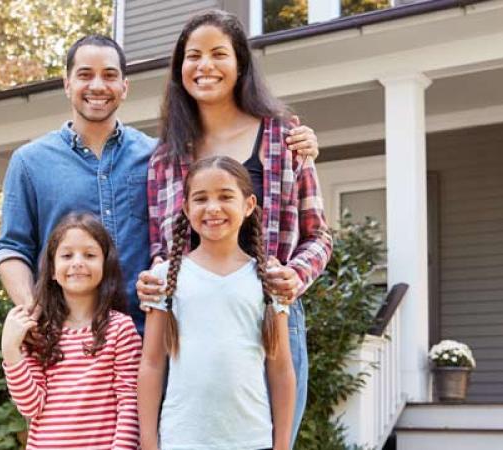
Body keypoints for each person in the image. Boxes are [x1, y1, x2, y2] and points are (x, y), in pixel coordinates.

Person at [0, 34, 319, 335]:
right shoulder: (30, 161)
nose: (97, 85)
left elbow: (216, 175)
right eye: (84, 75)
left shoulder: (161, 155)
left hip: (149, 332)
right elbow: (12, 248)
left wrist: (299, 143)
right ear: (67, 84)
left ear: (124, 86)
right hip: (68, 337)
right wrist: (33, 311)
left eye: (109, 75)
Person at [135, 10, 333, 446]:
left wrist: (293, 277)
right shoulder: (166, 157)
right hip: (189, 323)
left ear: (240, 64)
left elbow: (319, 236)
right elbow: (160, 247)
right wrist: (153, 279)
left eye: (218, 54)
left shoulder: (284, 137)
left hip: (268, 316)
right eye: (193, 56)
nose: (205, 66)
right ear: (179, 69)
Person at [137, 156, 294, 450]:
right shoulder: (164, 277)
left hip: (251, 440)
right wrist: (148, 441)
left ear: (248, 205)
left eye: (225, 196)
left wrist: (282, 444)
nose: (212, 208)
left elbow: (281, 368)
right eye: (200, 198)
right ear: (186, 208)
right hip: (181, 440)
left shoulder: (269, 279)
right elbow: (152, 363)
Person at [2, 212, 142, 450]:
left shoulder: (121, 329)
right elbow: (30, 406)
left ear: (105, 266)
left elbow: (129, 405)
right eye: (67, 255)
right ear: (53, 270)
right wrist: (10, 350)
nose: (78, 262)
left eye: (89, 255)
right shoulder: (40, 333)